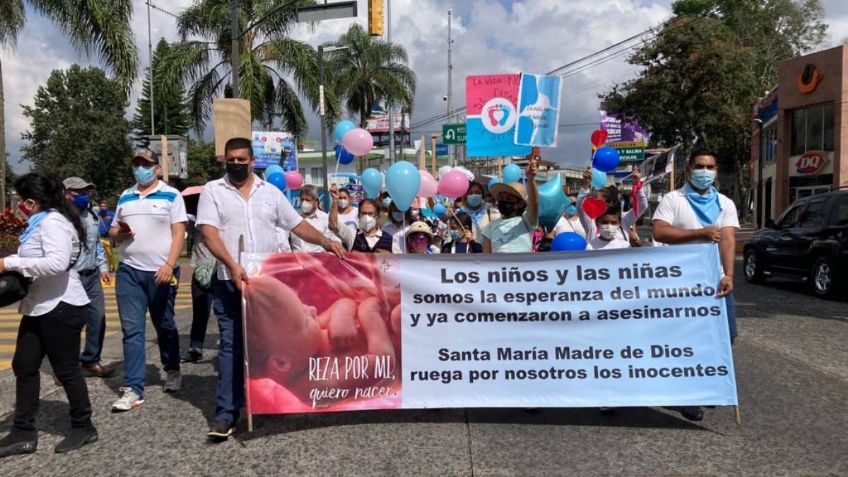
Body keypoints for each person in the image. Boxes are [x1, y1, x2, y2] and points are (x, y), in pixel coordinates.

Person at [196, 137, 346, 441]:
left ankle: (262, 401)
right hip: (229, 280)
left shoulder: (270, 193)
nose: (236, 164)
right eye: (231, 159)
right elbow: (209, 233)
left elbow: (295, 224)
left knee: (267, 347)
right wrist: (231, 263)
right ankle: (226, 412)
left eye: (242, 159)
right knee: (232, 345)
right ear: (224, 160)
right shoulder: (213, 191)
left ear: (253, 161)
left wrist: (326, 241)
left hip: (266, 284)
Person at [0, 174, 96, 457]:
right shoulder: (40, 222)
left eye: (19, 198)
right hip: (40, 305)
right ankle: (22, 433)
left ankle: (84, 426)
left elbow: (57, 262)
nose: (17, 203)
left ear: (31, 201)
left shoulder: (53, 222)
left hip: (62, 306)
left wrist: (11, 262)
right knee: (24, 365)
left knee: (66, 370)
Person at [651, 149, 739, 422]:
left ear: (716, 170)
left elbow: (727, 239)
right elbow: (660, 231)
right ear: (689, 169)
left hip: (714, 281)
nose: (705, 171)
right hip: (681, 281)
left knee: (725, 334)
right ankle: (690, 394)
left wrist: (729, 274)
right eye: (700, 166)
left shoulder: (724, 203)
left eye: (710, 167)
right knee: (686, 339)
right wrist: (699, 232)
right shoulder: (673, 199)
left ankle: (707, 385)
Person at [110, 149, 187, 412]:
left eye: (145, 164)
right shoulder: (125, 195)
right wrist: (119, 234)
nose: (139, 169)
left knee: (164, 324)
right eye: (135, 165)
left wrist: (169, 265)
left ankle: (172, 368)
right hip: (129, 271)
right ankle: (133, 388)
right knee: (132, 330)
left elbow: (179, 233)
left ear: (156, 168)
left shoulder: (172, 195)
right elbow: (113, 231)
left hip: (160, 273)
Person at [63, 177, 112, 377]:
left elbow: (97, 244)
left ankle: (90, 360)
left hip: (91, 275)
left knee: (98, 318)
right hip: (69, 277)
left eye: (87, 192)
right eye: (79, 192)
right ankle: (65, 368)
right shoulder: (59, 218)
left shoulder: (92, 215)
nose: (84, 196)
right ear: (66, 194)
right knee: (69, 323)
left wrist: (103, 267)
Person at [482, 150, 540, 253]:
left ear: (520, 203)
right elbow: (485, 257)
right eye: (501, 198)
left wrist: (531, 180)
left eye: (509, 199)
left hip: (524, 268)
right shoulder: (490, 227)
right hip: (499, 269)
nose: (503, 201)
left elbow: (534, 203)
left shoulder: (526, 221)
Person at [181, 217, 216, 363]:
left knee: (227, 314)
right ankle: (195, 348)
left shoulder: (226, 221)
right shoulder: (196, 224)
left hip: (224, 272)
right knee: (200, 312)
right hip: (202, 273)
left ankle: (233, 348)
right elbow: (182, 223)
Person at [289, 185, 339, 252]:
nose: (304, 203)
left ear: (316, 201)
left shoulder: (325, 218)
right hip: (297, 259)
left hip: (318, 259)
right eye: (302, 199)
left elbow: (330, 242)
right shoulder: (293, 216)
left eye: (307, 200)